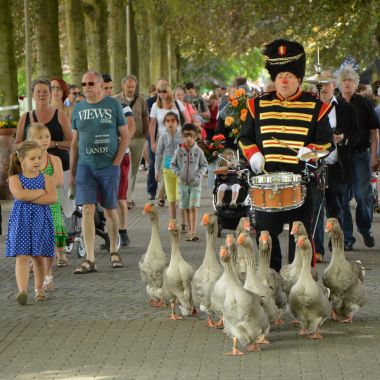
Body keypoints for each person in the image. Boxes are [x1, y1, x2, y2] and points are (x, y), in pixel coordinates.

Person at [239, 38, 333, 271]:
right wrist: (253, 155)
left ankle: (302, 286)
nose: (283, 79)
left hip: (300, 183)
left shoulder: (316, 108)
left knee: (300, 238)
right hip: (267, 183)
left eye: (289, 75)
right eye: (279, 74)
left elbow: (327, 143)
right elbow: (244, 138)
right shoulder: (257, 105)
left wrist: (310, 151)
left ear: (299, 78)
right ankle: (270, 283)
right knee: (265, 237)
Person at [69, 71, 130, 273]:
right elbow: (75, 142)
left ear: (101, 85)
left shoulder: (113, 105)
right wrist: (73, 169)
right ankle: (90, 258)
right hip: (86, 166)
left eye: (91, 83)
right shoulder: (78, 108)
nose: (86, 87)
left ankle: (114, 250)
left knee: (110, 210)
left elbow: (125, 135)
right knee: (87, 209)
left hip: (108, 166)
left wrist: (116, 163)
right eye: (84, 83)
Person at [311, 73, 360, 262]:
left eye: (327, 84)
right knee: (316, 208)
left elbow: (357, 134)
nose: (323, 88)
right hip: (316, 166)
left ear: (334, 85)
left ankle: (337, 246)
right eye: (320, 84)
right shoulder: (311, 108)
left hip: (338, 166)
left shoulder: (347, 109)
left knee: (336, 208)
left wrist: (343, 138)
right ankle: (318, 249)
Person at [5, 141, 57, 305]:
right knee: (22, 257)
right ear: (22, 160)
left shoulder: (46, 178)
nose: (37, 161)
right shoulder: (14, 178)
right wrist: (41, 192)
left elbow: (52, 198)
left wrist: (31, 195)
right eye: (33, 158)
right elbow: (20, 196)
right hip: (21, 222)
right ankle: (22, 291)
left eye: (39, 158)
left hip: (41, 222)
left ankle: (39, 289)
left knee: (38, 257)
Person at [338, 66, 380, 250]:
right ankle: (347, 238)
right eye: (344, 80)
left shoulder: (365, 104)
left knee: (363, 195)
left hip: (361, 155)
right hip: (340, 157)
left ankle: (365, 228)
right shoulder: (334, 105)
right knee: (343, 199)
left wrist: (374, 156)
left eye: (350, 80)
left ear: (356, 84)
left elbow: (374, 133)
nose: (347, 83)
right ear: (339, 85)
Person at [27, 123, 68, 290]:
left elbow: (58, 181)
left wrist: (37, 185)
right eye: (40, 137)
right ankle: (37, 267)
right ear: (31, 140)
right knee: (35, 239)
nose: (44, 141)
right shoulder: (24, 158)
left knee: (51, 240)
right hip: (33, 205)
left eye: (47, 137)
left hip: (51, 204)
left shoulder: (54, 159)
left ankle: (48, 273)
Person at [149, 83, 189, 204]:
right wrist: (152, 141)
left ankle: (168, 196)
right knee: (164, 167)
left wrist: (185, 135)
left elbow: (187, 119)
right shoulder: (156, 105)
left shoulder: (177, 104)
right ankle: (164, 196)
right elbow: (152, 124)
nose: (162, 94)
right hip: (162, 138)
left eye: (164, 91)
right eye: (159, 92)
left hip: (178, 138)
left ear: (169, 91)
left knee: (175, 166)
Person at [114, 75, 149, 209]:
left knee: (134, 169)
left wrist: (145, 135)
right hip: (123, 138)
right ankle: (123, 197)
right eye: (128, 86)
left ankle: (129, 196)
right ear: (123, 86)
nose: (131, 89)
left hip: (139, 138)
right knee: (124, 169)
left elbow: (145, 117)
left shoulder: (140, 100)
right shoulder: (115, 100)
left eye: (133, 87)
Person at [171, 123, 208, 241]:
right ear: (182, 136)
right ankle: (189, 230)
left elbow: (204, 165)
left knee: (193, 207)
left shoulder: (198, 151)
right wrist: (178, 173)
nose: (188, 138)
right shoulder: (179, 151)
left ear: (196, 136)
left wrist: (198, 176)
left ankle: (193, 231)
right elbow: (172, 164)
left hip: (195, 185)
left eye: (191, 135)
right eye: (186, 135)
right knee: (186, 208)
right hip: (182, 185)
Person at [155, 112, 182, 220]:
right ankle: (173, 222)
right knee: (171, 200)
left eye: (173, 121)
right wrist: (157, 171)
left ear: (177, 123)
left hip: (181, 171)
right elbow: (158, 155)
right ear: (164, 124)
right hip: (167, 171)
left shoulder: (182, 136)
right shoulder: (163, 138)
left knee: (180, 199)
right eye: (167, 121)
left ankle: (183, 223)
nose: (170, 123)